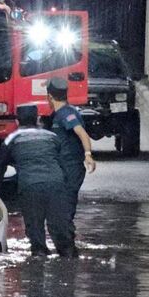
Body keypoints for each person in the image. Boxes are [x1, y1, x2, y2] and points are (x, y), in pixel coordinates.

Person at [0, 104, 77, 257]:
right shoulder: (51, 136)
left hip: (30, 187)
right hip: (56, 184)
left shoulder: (12, 139)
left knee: (35, 232)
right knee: (61, 230)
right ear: (38, 119)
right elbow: (64, 164)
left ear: (17, 121)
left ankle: (38, 265)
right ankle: (69, 263)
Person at [46, 77, 96, 219]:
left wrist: (88, 155)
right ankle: (66, 236)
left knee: (66, 206)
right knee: (63, 206)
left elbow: (82, 133)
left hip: (70, 167)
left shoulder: (67, 113)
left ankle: (67, 237)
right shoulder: (59, 114)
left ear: (49, 96)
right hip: (64, 167)